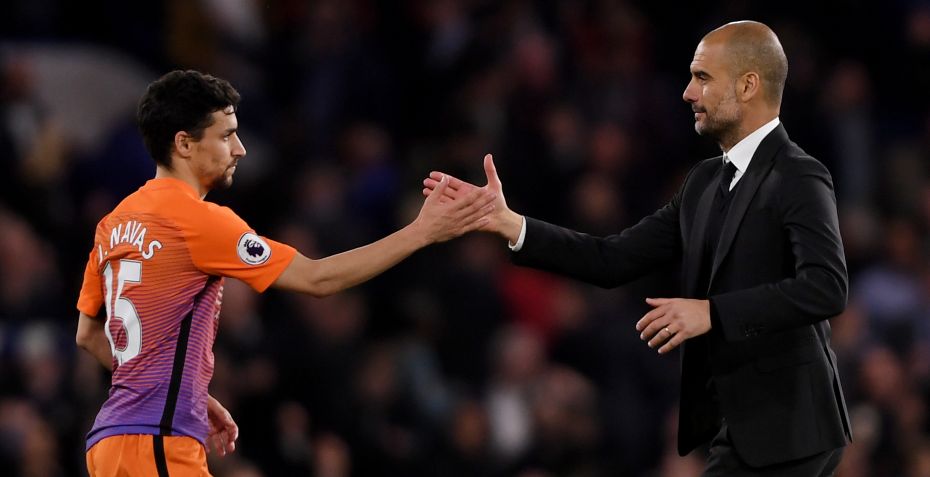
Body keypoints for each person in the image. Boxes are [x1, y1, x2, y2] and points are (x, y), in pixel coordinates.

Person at [425, 21, 851, 476]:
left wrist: (713, 312)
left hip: (794, 426)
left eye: (703, 78)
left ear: (748, 85)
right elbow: (612, 259)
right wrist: (510, 223)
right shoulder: (703, 182)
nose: (688, 92)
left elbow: (826, 287)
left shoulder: (798, 175)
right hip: (745, 427)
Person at [75, 69, 495, 476]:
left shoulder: (113, 224)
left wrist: (190, 395)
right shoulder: (198, 222)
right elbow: (318, 278)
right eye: (226, 135)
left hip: (110, 441)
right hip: (158, 442)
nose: (240, 149)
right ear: (184, 143)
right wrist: (422, 232)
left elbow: (88, 335)